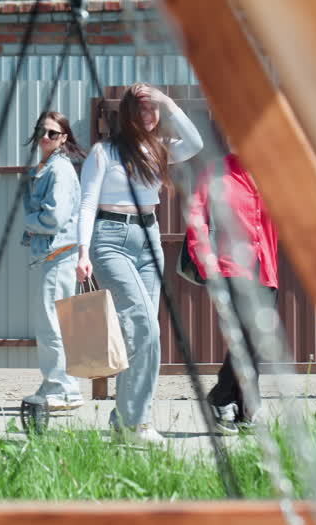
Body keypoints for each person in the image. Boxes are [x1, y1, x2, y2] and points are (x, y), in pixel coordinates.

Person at [76, 83, 203, 445]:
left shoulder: (159, 150)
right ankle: (137, 425)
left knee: (144, 335)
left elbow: (195, 142)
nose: (149, 117)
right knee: (144, 328)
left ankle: (126, 421)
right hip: (110, 239)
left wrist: (166, 100)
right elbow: (86, 204)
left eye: (154, 110)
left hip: (149, 238)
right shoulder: (105, 152)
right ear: (127, 115)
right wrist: (81, 252)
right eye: (142, 110)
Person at [185, 152, 281, 434]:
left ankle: (234, 403)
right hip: (230, 267)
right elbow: (196, 215)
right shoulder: (216, 171)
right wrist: (205, 259)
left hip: (265, 267)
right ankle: (231, 400)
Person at [20, 111, 86, 411]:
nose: (45, 138)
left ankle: (60, 389)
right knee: (55, 323)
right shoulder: (48, 167)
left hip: (56, 254)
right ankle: (59, 386)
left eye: (53, 133)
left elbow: (54, 218)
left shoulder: (58, 170)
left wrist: (29, 221)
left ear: (64, 138)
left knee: (50, 325)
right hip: (54, 254)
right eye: (42, 132)